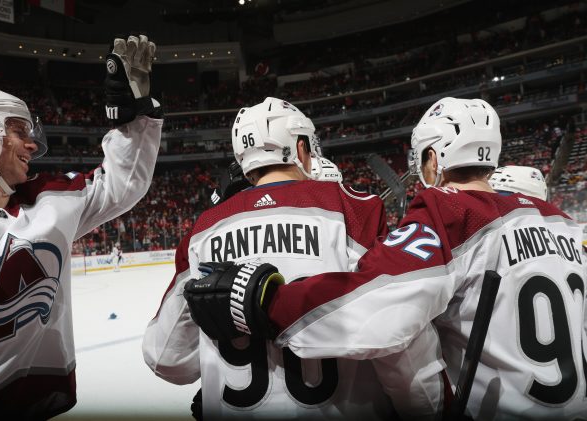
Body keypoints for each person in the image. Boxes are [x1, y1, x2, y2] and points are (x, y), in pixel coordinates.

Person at [184, 97, 587, 419]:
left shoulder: (449, 212)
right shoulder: (565, 223)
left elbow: (381, 306)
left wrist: (267, 300)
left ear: (433, 159)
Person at [143, 97, 444, 420]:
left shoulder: (204, 229)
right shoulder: (356, 210)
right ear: (300, 149)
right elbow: (395, 336)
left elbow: (166, 359)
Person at [0, 34, 162, 418]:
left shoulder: (51, 200)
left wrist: (133, 116)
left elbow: (122, 184)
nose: (32, 144)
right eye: (18, 130)